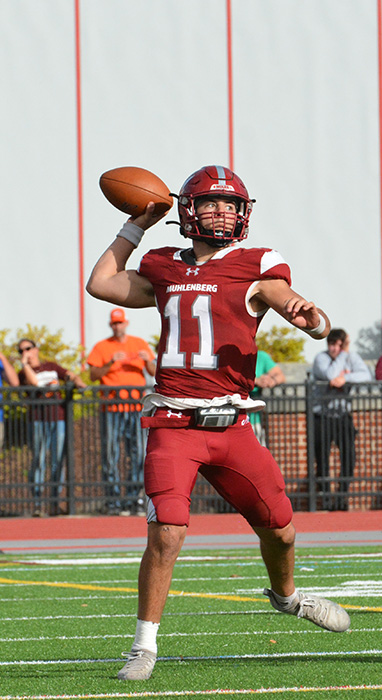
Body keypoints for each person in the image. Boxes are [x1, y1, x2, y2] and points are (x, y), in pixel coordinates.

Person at [86, 164, 350, 682]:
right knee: (167, 532)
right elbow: (102, 284)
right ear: (186, 211)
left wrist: (308, 316)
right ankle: (144, 647)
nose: (223, 212)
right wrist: (135, 224)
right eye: (210, 202)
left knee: (283, 532)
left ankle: (287, 597)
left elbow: (287, 302)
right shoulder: (163, 264)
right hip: (173, 423)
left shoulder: (257, 264)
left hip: (231, 427)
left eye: (232, 204)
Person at [86, 308, 156, 514]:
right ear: (111, 325)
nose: (117, 326)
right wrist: (111, 362)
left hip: (135, 407)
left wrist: (147, 361)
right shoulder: (102, 347)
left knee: (137, 452)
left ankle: (134, 498)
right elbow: (93, 375)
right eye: (114, 323)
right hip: (112, 408)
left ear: (126, 323)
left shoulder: (139, 343)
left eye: (120, 323)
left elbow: (153, 372)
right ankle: (114, 500)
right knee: (111, 453)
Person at [16, 339, 86, 516]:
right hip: (38, 420)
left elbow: (69, 374)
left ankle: (55, 501)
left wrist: (78, 382)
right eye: (21, 350)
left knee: (57, 461)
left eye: (28, 348)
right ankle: (38, 503)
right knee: (38, 460)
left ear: (36, 349)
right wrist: (25, 364)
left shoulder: (51, 366)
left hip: (58, 419)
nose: (25, 352)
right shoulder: (23, 373)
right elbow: (35, 384)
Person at [310, 329, 371, 510]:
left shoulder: (351, 357)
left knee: (349, 457)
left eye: (339, 345)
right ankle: (327, 500)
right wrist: (342, 360)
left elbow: (366, 376)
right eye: (332, 344)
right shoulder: (321, 358)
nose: (334, 348)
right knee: (322, 459)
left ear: (343, 344)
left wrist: (346, 377)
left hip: (343, 416)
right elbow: (330, 375)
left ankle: (342, 497)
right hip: (322, 415)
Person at [249, 349, 285, 446]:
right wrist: (255, 381)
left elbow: (281, 375)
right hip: (233, 420)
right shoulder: (230, 356)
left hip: (254, 420)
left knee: (258, 454)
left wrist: (271, 381)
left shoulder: (261, 356)